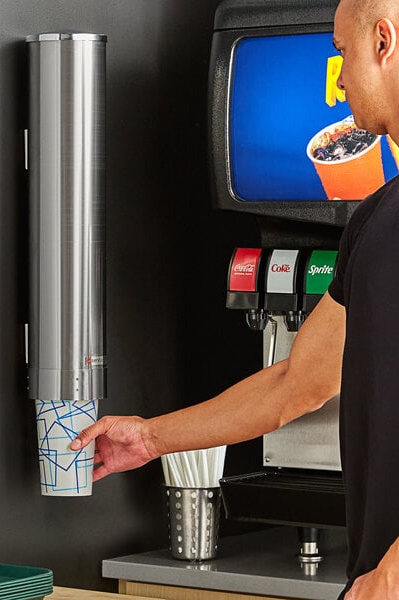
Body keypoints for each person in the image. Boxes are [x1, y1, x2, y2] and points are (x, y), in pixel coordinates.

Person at [70, 0, 399, 597]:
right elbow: (297, 383)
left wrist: (395, 574)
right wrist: (150, 438)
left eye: (342, 51)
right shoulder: (375, 221)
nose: (342, 76)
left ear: (384, 41)